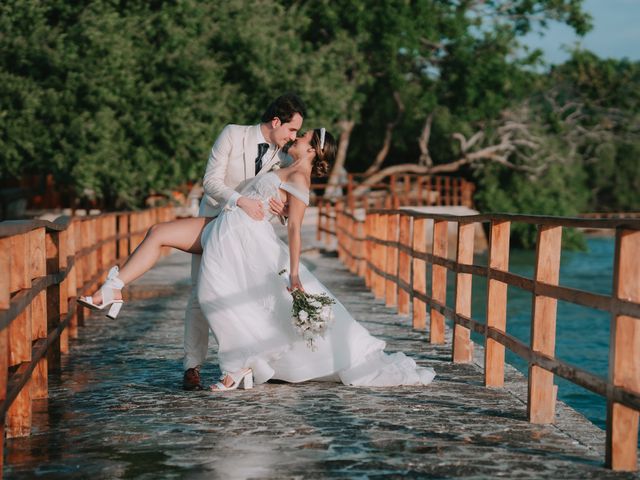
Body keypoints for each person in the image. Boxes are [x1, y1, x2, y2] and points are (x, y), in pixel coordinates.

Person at [78, 93, 307, 391]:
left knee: (239, 297)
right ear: (276, 121)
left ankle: (244, 364)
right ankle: (192, 366)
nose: (293, 136)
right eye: (291, 129)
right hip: (213, 222)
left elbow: (290, 204)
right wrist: (241, 201)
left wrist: (282, 212)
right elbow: (210, 182)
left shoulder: (284, 157)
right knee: (199, 295)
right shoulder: (233, 134)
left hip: (246, 237)